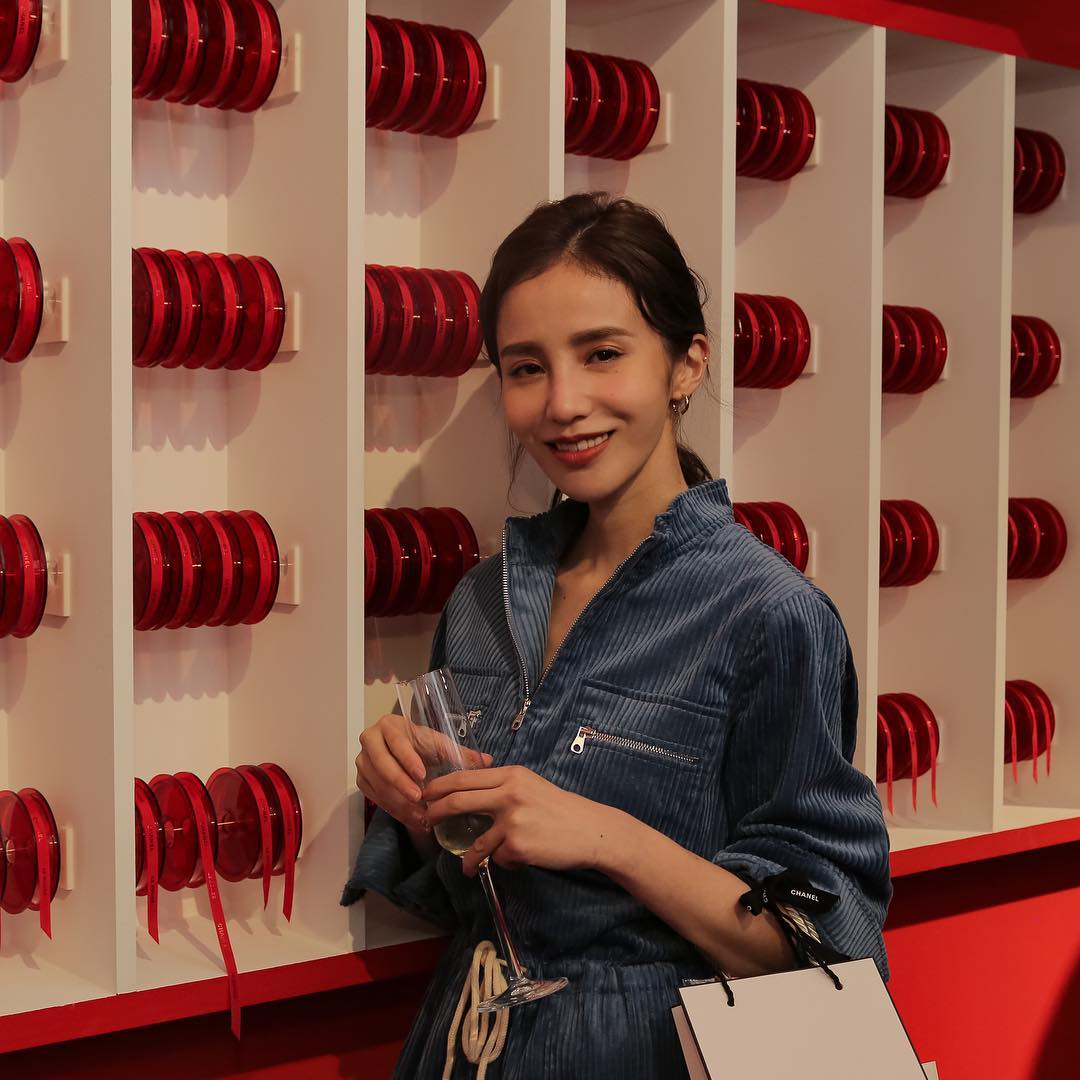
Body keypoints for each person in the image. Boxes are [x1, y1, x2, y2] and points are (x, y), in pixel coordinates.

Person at [343, 192, 893, 1079]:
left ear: (685, 365)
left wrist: (608, 838)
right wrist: (414, 805)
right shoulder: (484, 600)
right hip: (462, 1045)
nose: (563, 404)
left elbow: (826, 941)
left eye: (602, 354)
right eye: (527, 368)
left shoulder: (769, 615)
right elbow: (456, 896)